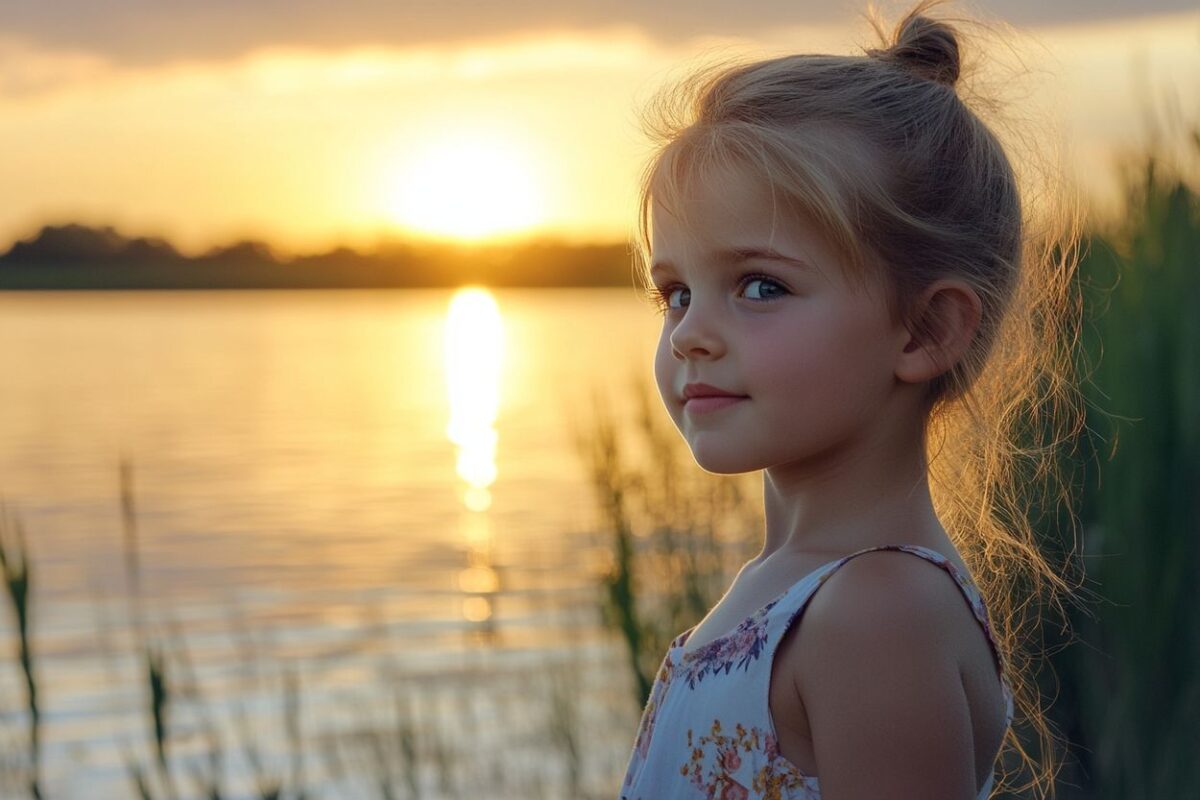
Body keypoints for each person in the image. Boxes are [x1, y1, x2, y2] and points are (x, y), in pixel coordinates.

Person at [618, 0, 1085, 797]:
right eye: (676, 293)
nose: (691, 332)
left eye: (760, 286)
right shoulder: (789, 587)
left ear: (924, 331)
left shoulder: (879, 615)